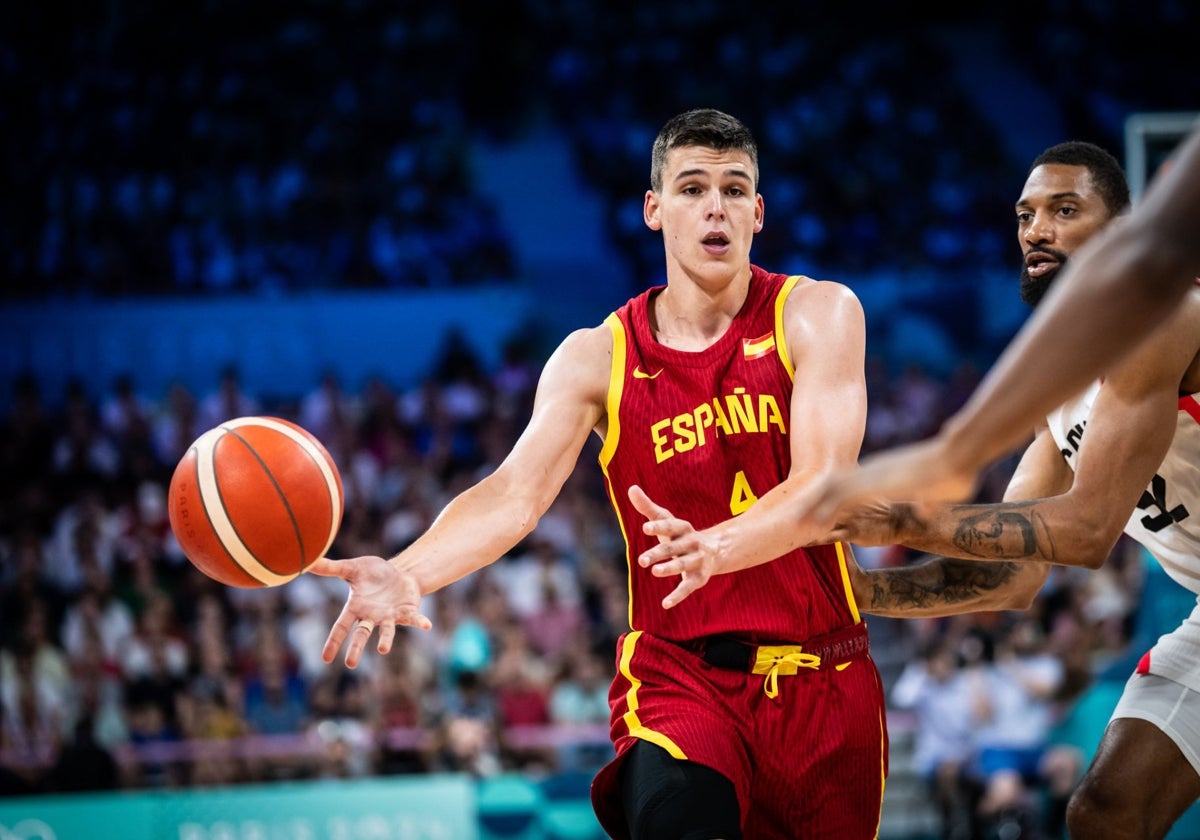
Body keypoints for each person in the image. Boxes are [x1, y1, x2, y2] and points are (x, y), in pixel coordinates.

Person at [311, 108, 887, 839]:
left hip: (824, 682)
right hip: (685, 679)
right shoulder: (598, 356)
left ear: (758, 212)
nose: (716, 206)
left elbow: (826, 489)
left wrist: (718, 549)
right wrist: (409, 571)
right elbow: (514, 494)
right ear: (654, 210)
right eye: (692, 188)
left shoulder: (817, 313)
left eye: (736, 189)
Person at [636, 140, 1200, 839]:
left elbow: (1085, 532)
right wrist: (859, 594)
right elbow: (1015, 575)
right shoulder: (1061, 398)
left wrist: (894, 519)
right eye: (1026, 215)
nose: (1037, 230)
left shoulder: (1167, 317)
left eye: (1065, 210)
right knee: (1107, 814)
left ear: (1122, 230)